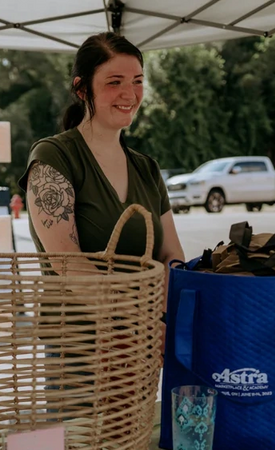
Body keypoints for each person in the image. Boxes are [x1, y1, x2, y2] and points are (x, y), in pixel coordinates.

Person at [17, 31, 186, 421]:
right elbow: (66, 261)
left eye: (137, 80)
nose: (130, 93)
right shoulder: (54, 156)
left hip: (140, 347)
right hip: (77, 353)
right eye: (114, 82)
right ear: (82, 88)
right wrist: (132, 324)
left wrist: (162, 320)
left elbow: (171, 255)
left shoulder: (147, 168)